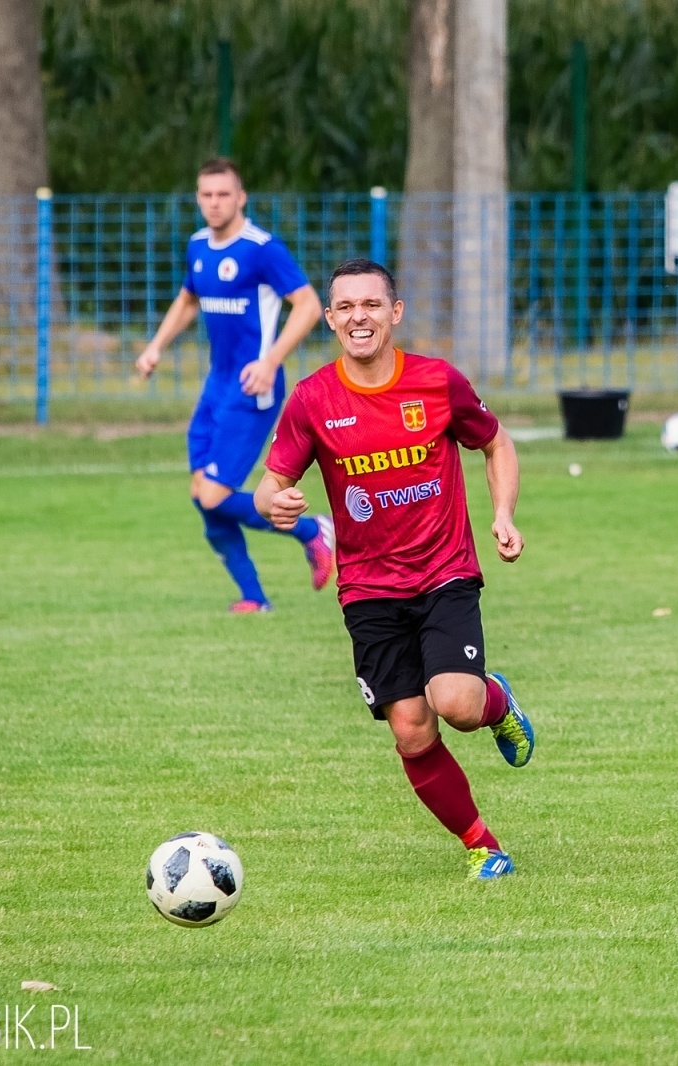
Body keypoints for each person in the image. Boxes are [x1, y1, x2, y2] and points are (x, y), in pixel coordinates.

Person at [254, 259, 535, 881]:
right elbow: (268, 487)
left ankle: (497, 703)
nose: (360, 317)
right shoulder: (313, 400)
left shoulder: (437, 382)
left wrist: (504, 515)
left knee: (455, 702)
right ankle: (485, 847)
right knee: (411, 729)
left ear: (395, 312)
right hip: (368, 590)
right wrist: (275, 503)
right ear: (330, 320)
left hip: (444, 570)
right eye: (347, 307)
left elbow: (495, 442)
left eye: (372, 305)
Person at [135, 158, 335, 612]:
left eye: (223, 194)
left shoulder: (261, 248)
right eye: (206, 194)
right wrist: (156, 347)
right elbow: (188, 300)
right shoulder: (198, 246)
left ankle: (314, 530)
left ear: (240, 197)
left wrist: (271, 360)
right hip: (216, 386)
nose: (214, 202)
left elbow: (306, 306)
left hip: (252, 388)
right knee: (202, 497)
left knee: (213, 493)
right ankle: (254, 598)